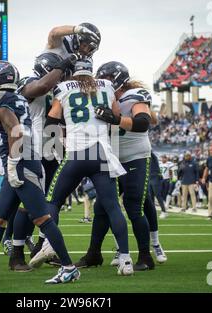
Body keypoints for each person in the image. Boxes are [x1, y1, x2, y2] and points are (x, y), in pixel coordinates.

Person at [0, 61, 80, 284]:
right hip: (23, 163)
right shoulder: (17, 97)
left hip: (22, 165)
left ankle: (69, 267)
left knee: (43, 219)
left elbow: (15, 129)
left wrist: (12, 162)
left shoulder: (0, 100)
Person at [29, 59, 134, 275]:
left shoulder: (64, 88)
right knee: (113, 206)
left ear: (73, 73)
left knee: (53, 201)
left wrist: (59, 141)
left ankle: (49, 243)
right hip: (102, 154)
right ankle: (125, 259)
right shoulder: (107, 87)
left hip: (76, 154)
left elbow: (52, 122)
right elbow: (116, 117)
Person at [72, 60, 156, 271]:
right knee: (101, 206)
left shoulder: (133, 95)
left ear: (117, 81)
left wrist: (116, 119)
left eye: (107, 80)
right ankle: (93, 254)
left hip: (135, 156)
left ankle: (146, 257)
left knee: (133, 207)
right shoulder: (103, 96)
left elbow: (144, 122)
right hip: (112, 157)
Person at [8, 52, 77, 270]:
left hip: (53, 150)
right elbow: (39, 88)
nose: (63, 77)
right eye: (60, 72)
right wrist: (61, 68)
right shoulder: (29, 82)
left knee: (51, 203)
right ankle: (16, 253)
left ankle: (43, 247)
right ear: (49, 69)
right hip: (32, 150)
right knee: (28, 204)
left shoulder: (57, 88)